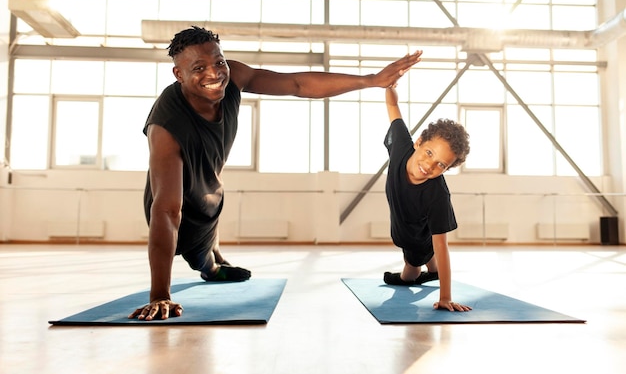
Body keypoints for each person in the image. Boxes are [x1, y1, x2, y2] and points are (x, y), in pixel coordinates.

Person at [128, 26, 423, 321]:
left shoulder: (234, 77)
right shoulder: (165, 125)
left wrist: (370, 80)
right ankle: (212, 268)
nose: (214, 74)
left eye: (219, 62)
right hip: (176, 205)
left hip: (211, 194)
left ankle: (215, 254)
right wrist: (160, 296)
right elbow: (167, 210)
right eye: (199, 68)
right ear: (179, 75)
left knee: (211, 212)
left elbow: (296, 84)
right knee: (199, 257)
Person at [382, 76, 472, 312]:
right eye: (430, 153)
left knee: (411, 270)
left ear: (447, 169)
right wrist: (389, 87)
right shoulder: (401, 143)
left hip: (416, 238)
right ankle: (431, 270)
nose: (431, 165)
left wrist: (445, 297)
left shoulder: (437, 194)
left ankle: (413, 275)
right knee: (424, 251)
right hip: (405, 226)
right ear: (419, 142)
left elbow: (441, 245)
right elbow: (393, 107)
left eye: (441, 165)